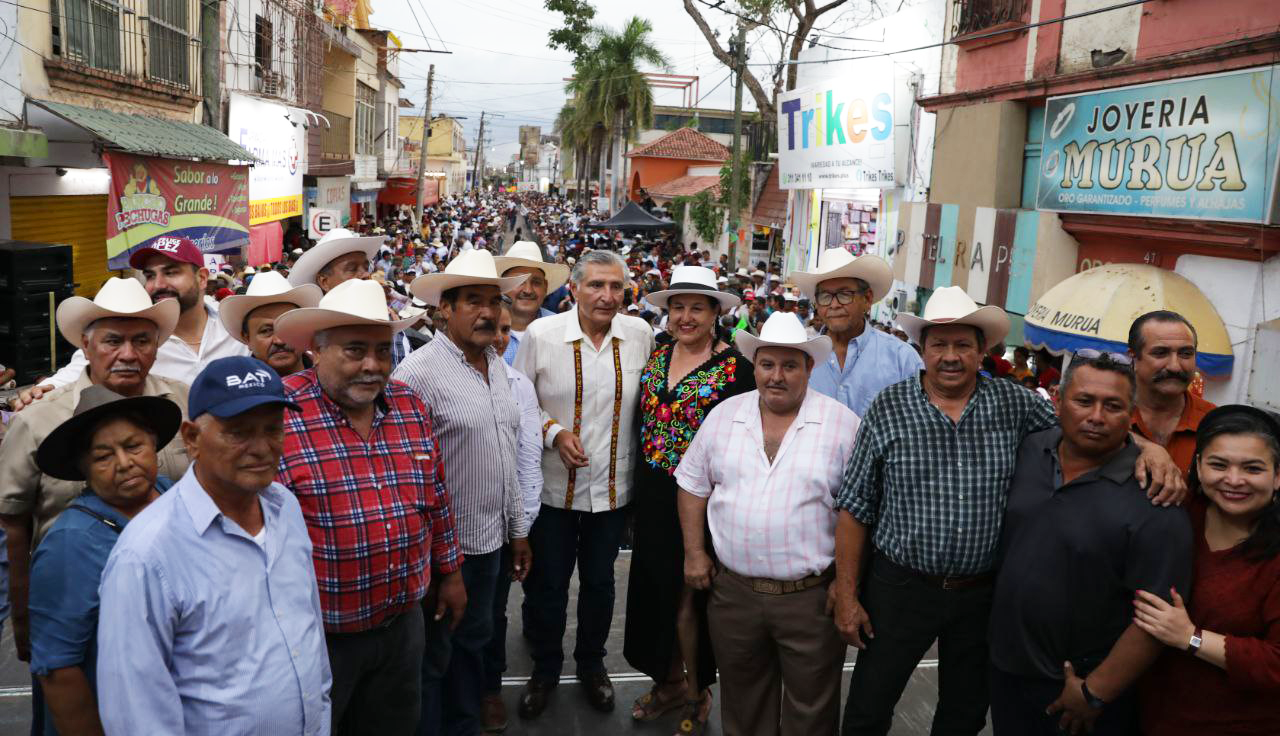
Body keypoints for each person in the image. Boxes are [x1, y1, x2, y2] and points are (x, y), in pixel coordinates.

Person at [831, 287, 1186, 736]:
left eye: (964, 345)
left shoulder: (1016, 405)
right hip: (900, 586)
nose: (951, 356)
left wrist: (1150, 447)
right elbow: (854, 507)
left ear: (984, 351)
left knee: (964, 710)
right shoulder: (889, 406)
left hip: (982, 594)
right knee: (869, 704)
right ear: (922, 350)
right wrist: (846, 595)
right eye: (939, 344)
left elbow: (1083, 426)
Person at [95, 356, 331, 733]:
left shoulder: (284, 506)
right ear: (191, 439)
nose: (261, 448)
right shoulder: (147, 554)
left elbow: (308, 633)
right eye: (238, 433)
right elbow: (137, 714)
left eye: (273, 430)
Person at [273, 279, 465, 735]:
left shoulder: (408, 404)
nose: (372, 365)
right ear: (316, 351)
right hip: (319, 638)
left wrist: (451, 572)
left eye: (382, 350)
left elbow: (436, 494)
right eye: (355, 350)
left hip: (403, 625)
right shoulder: (280, 413)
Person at [988, 351, 1192, 735]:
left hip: (1080, 692)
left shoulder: (1156, 498)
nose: (1096, 416)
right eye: (1084, 401)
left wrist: (1096, 691)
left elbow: (1156, 618)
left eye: (1113, 406)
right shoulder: (1030, 449)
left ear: (1129, 414)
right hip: (1007, 672)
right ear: (1057, 400)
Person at [677, 312, 859, 736]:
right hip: (734, 595)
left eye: (790, 365)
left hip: (811, 600)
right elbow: (691, 484)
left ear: (809, 368)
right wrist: (694, 552)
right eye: (767, 364)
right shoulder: (724, 416)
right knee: (742, 704)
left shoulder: (843, 425)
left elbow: (860, 511)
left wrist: (847, 584)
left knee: (811, 709)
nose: (776, 376)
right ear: (754, 366)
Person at [0, 277, 192, 666]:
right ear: (85, 346)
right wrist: (23, 616)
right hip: (73, 608)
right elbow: (12, 523)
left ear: (156, 347)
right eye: (112, 341)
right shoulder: (38, 419)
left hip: (176, 599)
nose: (128, 354)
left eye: (141, 341)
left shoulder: (184, 401)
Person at [393, 251, 533, 736]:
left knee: (475, 645)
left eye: (493, 301)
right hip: (443, 554)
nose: (488, 312)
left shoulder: (495, 364)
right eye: (473, 301)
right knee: (436, 659)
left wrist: (517, 531)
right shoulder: (417, 374)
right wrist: (443, 566)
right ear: (444, 310)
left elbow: (506, 455)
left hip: (490, 544)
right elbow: (412, 480)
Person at [512, 249, 656, 718]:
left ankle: (592, 666)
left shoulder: (640, 334)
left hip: (614, 490)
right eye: (596, 285)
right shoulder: (542, 334)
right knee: (548, 584)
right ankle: (546, 669)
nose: (607, 296)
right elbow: (518, 404)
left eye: (616, 287)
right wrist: (555, 433)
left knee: (599, 583)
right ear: (573, 288)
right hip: (552, 489)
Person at [623, 267, 755, 734]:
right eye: (677, 306)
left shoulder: (737, 370)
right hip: (653, 497)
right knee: (657, 596)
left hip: (703, 499)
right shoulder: (658, 356)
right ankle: (671, 681)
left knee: (690, 597)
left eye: (697, 307)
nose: (685, 316)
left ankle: (695, 688)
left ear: (716, 312)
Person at [28, 386, 179, 736]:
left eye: (133, 446)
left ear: (153, 442)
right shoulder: (71, 543)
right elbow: (58, 669)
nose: (124, 463)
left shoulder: (174, 495)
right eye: (103, 457)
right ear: (84, 469)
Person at [1137, 404, 1280, 736]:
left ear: (1277, 476)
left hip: (1237, 722)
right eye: (1218, 464)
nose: (1233, 480)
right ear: (1198, 467)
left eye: (1252, 468)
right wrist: (1151, 447)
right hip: (1153, 712)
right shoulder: (1178, 513)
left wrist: (1190, 637)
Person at [14, 236, 249, 406]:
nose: (157, 285)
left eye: (171, 272)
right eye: (150, 275)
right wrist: (42, 391)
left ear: (202, 278)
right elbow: (77, 373)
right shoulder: (133, 335)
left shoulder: (235, 323)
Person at [481, 299, 546, 732]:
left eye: (506, 330)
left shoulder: (519, 384)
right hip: (453, 523)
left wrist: (521, 526)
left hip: (502, 526)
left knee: (494, 610)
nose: (499, 338)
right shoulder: (427, 376)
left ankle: (489, 689)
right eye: (492, 328)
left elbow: (528, 459)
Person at [790, 248, 922, 417]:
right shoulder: (802, 356)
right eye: (825, 296)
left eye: (845, 294)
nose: (834, 305)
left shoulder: (901, 359)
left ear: (867, 299)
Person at [1128, 310, 1216, 477]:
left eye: (1186, 354)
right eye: (1160, 353)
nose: (1175, 366)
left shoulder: (1215, 423)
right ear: (1133, 358)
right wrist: (1143, 445)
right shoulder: (1103, 412)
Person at [218, 270, 323, 377]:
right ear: (247, 339)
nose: (279, 341)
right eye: (266, 331)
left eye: (287, 328)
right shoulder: (234, 391)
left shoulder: (330, 379)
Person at [493, 241, 567, 365]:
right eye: (519, 281)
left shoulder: (563, 330)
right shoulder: (483, 330)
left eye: (536, 282)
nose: (528, 290)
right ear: (502, 286)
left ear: (545, 287)